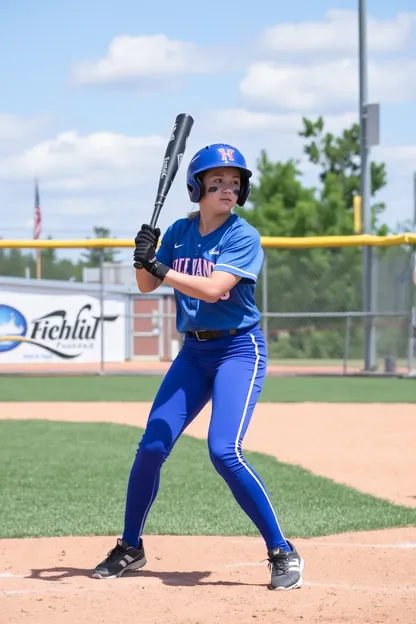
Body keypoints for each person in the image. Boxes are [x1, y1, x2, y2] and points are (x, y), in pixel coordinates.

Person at [92, 143, 304, 590]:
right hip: (193, 353)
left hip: (238, 350)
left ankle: (281, 550)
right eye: (218, 181)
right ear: (198, 188)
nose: (228, 188)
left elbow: (212, 290)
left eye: (235, 182)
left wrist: (160, 267)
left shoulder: (243, 236)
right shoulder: (178, 231)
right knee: (152, 445)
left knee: (224, 451)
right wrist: (144, 255)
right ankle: (130, 547)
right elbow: (147, 285)